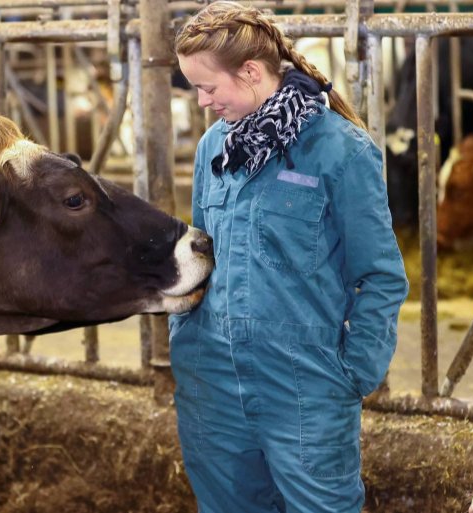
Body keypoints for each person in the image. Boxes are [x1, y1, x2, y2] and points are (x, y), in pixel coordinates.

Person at [167, 2, 409, 513]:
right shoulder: (216, 146)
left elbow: (380, 277)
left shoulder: (340, 149)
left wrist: (354, 374)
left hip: (303, 386)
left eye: (209, 87)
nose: (202, 101)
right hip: (210, 383)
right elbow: (202, 254)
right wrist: (185, 343)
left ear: (252, 72)